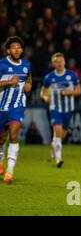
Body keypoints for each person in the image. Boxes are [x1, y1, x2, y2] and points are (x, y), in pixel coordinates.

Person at [40, 53, 81, 168]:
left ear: (64, 62)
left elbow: (79, 91)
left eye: (61, 61)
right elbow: (42, 92)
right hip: (55, 108)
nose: (59, 64)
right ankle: (59, 159)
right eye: (56, 62)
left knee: (62, 134)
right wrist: (45, 97)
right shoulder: (49, 77)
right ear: (53, 63)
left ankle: (54, 144)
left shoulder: (72, 75)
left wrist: (69, 92)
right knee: (57, 131)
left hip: (68, 109)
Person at [0, 36, 32, 183]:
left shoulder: (26, 65)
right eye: (13, 47)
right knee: (1, 139)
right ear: (8, 50)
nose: (17, 49)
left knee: (14, 134)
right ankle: (1, 161)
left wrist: (28, 86)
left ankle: (10, 171)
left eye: (19, 47)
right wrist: (8, 82)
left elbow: (28, 78)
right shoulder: (1, 64)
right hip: (1, 107)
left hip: (17, 106)